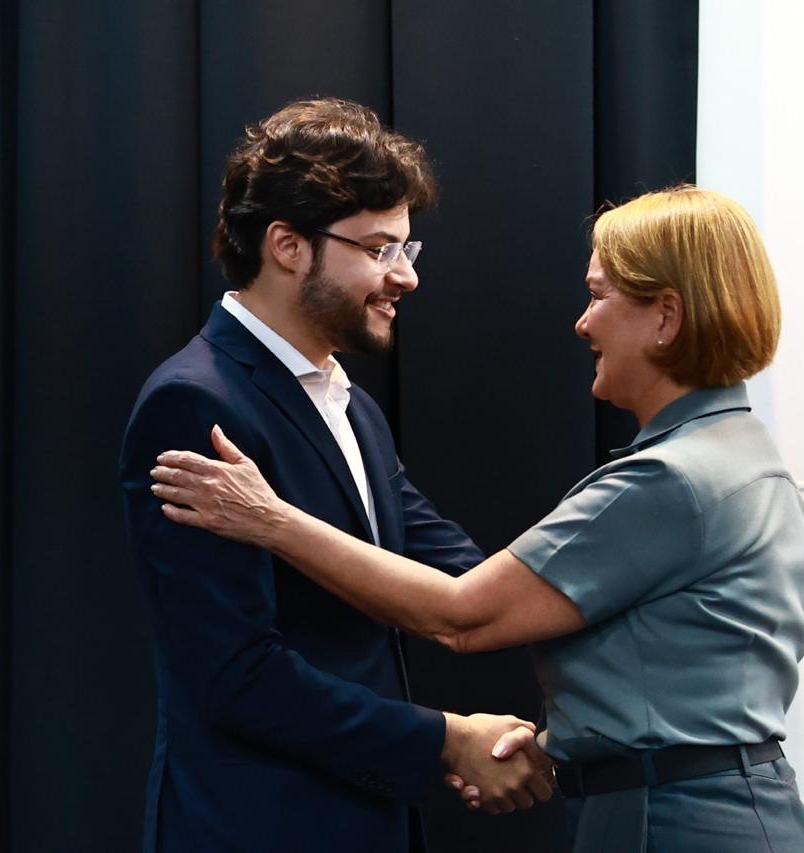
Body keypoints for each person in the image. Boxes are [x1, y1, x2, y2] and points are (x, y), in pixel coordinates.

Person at [150, 186, 804, 851]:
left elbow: (463, 613)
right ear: (286, 247)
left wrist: (269, 519)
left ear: (667, 316)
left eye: (599, 295)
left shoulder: (673, 478)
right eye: (380, 247)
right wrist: (526, 744)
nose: (582, 322)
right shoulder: (739, 454)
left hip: (679, 823)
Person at [119, 97, 551, 853]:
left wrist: (609, 604)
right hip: (256, 829)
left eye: (408, 250)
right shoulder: (195, 403)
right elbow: (237, 676)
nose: (405, 277)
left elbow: (461, 573)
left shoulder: (352, 407)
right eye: (380, 249)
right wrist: (445, 739)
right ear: (287, 245)